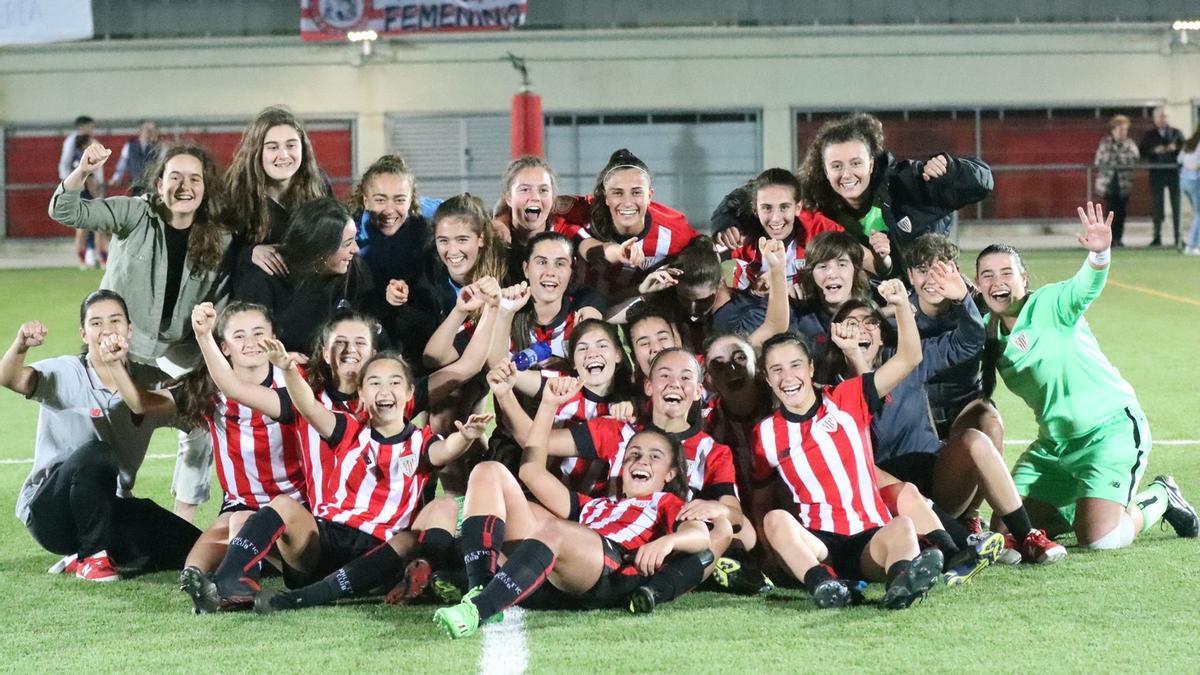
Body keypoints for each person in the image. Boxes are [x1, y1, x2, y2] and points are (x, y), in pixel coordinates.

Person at [182, 346, 492, 612]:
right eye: (374, 383)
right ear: (361, 393)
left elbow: (445, 450)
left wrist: (465, 437)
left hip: (378, 551)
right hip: (325, 542)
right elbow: (308, 406)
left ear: (410, 393)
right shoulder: (348, 428)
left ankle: (312, 597)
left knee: (424, 525)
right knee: (283, 505)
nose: (385, 391)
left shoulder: (422, 442)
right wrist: (289, 370)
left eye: (395, 382)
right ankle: (231, 580)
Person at [975, 202, 1199, 549]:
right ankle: (1079, 508)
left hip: (1110, 434)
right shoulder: (986, 333)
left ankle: (1161, 496)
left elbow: (1085, 287)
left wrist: (1099, 255)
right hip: (1054, 446)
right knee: (1006, 531)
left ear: (1025, 279)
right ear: (978, 285)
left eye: (1006, 272)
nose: (997, 282)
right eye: (987, 275)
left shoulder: (1050, 303)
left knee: (1101, 539)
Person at [433, 378, 713, 638]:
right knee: (488, 470)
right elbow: (531, 472)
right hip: (572, 564)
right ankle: (479, 587)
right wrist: (547, 405)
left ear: (670, 474)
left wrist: (667, 543)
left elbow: (701, 536)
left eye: (655, 457)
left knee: (553, 528)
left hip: (616, 571)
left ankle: (478, 610)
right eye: (634, 454)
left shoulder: (666, 501)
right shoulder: (596, 505)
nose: (642, 461)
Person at [49, 142, 231, 522]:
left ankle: (184, 522)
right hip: (122, 350)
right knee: (116, 446)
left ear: (205, 187)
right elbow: (64, 209)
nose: (184, 186)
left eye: (194, 178)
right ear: (159, 182)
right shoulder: (135, 213)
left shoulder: (218, 237)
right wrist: (82, 170)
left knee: (200, 424)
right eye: (175, 177)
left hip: (176, 354)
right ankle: (108, 517)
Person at [750, 280, 944, 610]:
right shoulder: (766, 434)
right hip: (819, 544)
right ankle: (826, 586)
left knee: (903, 526)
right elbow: (760, 499)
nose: (787, 377)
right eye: (776, 370)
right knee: (774, 520)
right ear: (767, 379)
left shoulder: (848, 398)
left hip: (870, 537)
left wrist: (899, 305)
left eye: (795, 365)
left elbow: (910, 357)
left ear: (810, 368)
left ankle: (901, 585)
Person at [2, 291, 200, 582]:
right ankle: (93, 556)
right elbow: (11, 379)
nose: (106, 329)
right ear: (84, 334)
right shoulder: (65, 372)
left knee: (189, 545)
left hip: (110, 508)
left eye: (115, 320)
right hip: (52, 511)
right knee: (97, 453)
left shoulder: (150, 380)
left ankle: (88, 554)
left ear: (129, 330)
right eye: (96, 323)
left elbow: (198, 421)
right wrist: (20, 346)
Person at [797, 112, 993, 277]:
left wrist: (951, 170)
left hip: (926, 296)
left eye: (856, 163)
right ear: (824, 170)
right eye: (836, 166)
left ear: (872, 163)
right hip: (866, 310)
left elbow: (981, 184)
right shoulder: (818, 211)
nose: (847, 174)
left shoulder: (906, 183)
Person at [233, 197, 370, 354]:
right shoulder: (263, 280)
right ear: (320, 249)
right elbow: (246, 346)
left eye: (354, 240)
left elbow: (373, 330)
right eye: (347, 243)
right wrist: (282, 361)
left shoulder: (354, 270)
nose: (356, 249)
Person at [349, 155, 440, 365]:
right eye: (380, 200)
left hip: (419, 333)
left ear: (411, 200)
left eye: (399, 200)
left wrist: (499, 220)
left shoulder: (426, 219)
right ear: (365, 200)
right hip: (367, 331)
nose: (390, 210)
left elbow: (464, 212)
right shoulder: (349, 232)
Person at [224, 105, 328, 284]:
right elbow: (218, 255)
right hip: (255, 299)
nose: (284, 155)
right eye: (273, 147)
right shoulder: (235, 192)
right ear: (257, 152)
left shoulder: (319, 184)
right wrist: (250, 253)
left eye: (291, 145)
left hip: (307, 294)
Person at [709, 168, 845, 291]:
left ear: (798, 208)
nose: (775, 218)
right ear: (755, 209)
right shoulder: (737, 241)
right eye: (767, 208)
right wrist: (754, 296)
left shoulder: (819, 229)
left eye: (784, 207)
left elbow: (858, 259)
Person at [57, 114, 109, 269]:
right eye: (90, 126)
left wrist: (98, 185)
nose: (92, 130)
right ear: (82, 127)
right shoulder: (71, 143)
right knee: (82, 227)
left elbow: (99, 168)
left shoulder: (94, 142)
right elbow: (65, 164)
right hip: (80, 188)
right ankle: (85, 257)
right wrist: (69, 184)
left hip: (91, 186)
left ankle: (98, 257)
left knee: (98, 225)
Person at [1138, 106, 1186, 247]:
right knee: (1157, 207)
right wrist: (1154, 151)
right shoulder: (1149, 134)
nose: (1162, 119)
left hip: (1174, 174)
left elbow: (1186, 150)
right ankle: (1157, 237)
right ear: (1155, 119)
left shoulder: (1177, 133)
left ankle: (1178, 237)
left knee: (1177, 207)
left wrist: (1175, 149)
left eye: (1165, 116)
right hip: (1157, 174)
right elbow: (1142, 152)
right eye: (1160, 117)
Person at [1093, 115, 1140, 248]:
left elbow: (1134, 159)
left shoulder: (1130, 144)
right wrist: (1119, 160)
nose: (1122, 132)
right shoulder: (1105, 143)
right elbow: (1099, 160)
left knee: (1121, 212)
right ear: (1113, 130)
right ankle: (1109, 240)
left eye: (1124, 129)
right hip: (1108, 184)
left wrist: (1116, 160)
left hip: (1124, 185)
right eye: (1119, 129)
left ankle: (1119, 238)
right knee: (1109, 213)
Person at [111, 120, 162, 195]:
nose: (150, 133)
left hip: (152, 186)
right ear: (141, 131)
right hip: (135, 185)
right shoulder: (130, 146)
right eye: (147, 130)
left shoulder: (159, 148)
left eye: (153, 130)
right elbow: (122, 163)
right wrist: (116, 177)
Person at [1179, 126, 1200, 256]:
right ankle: (1191, 245)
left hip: (1184, 179)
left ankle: (1193, 244)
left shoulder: (1190, 141)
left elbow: (1180, 159)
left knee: (1198, 214)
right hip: (1195, 179)